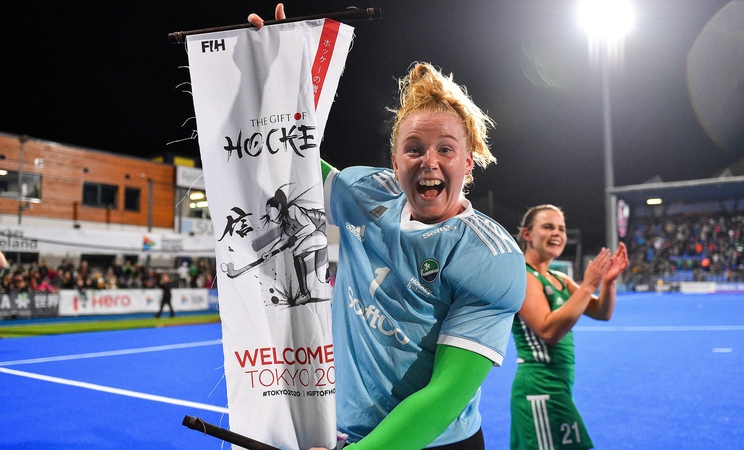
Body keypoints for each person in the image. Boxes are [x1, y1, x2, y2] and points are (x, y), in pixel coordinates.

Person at [246, 6, 528, 449]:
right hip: (342, 436)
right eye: (413, 149)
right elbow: (283, 158)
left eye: (446, 149)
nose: (429, 161)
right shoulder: (364, 192)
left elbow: (444, 396)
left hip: (437, 442)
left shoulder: (491, 257)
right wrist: (267, 66)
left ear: (468, 162)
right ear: (395, 163)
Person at [510, 205, 628, 450]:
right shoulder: (522, 275)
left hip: (559, 384)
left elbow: (601, 312)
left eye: (561, 229)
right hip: (539, 386)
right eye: (548, 227)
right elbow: (548, 331)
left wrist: (608, 282)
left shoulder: (560, 278)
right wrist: (587, 285)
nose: (557, 233)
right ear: (527, 234)